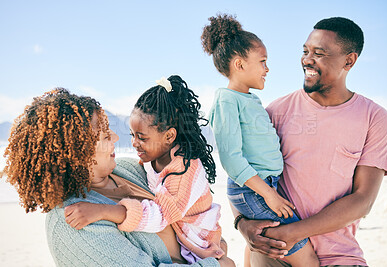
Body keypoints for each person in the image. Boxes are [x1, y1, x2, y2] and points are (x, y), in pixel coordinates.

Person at [2, 88, 233, 266]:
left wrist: (218, 240)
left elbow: (184, 207)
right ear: (75, 154)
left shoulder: (128, 169)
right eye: (103, 134)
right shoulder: (72, 222)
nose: (114, 137)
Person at [234, 17, 387, 267]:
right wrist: (241, 224)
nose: (307, 59)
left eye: (319, 53)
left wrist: (295, 232)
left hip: (339, 256)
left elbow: (363, 200)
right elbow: (240, 172)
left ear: (349, 61)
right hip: (276, 250)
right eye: (305, 51)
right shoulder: (276, 112)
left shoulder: (374, 117)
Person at [63, 75, 232, 264]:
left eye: (142, 138)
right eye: (132, 135)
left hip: (200, 244)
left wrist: (103, 211)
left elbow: (158, 215)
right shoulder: (151, 159)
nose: (133, 143)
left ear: (169, 136)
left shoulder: (184, 169)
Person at [201, 14, 319, 267]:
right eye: (263, 62)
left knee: (258, 251)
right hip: (254, 191)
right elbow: (232, 160)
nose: (267, 69)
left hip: (266, 187)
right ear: (239, 65)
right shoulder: (226, 100)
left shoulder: (250, 99)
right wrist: (269, 195)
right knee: (306, 256)